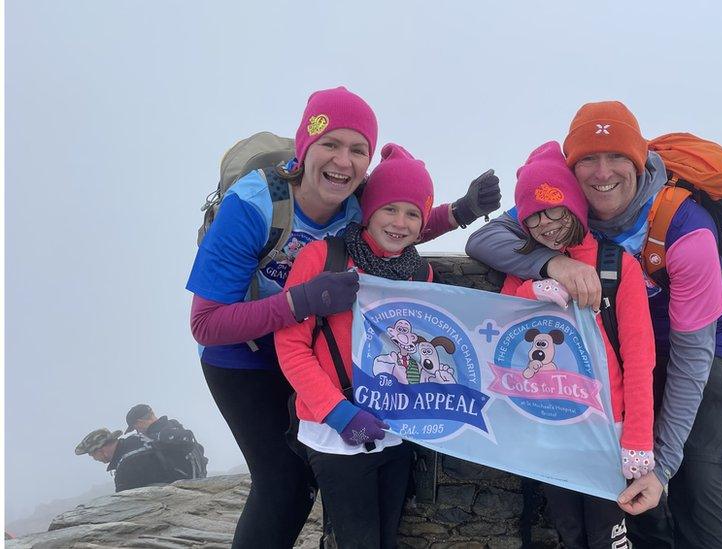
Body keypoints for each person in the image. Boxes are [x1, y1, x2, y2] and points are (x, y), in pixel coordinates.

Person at [186, 86, 501, 548]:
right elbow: (206, 325)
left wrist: (460, 212)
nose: (343, 161)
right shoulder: (252, 208)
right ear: (304, 147)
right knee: (282, 482)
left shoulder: (355, 200)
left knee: (304, 478)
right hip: (242, 358)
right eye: (330, 144)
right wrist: (300, 303)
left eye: (358, 150)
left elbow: (394, 224)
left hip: (303, 347)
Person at [466, 101, 722, 548]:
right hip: (617, 358)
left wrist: (663, 465)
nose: (601, 173)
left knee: (700, 486)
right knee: (626, 499)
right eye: (587, 160)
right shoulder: (562, 205)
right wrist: (551, 262)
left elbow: (693, 360)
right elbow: (484, 238)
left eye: (616, 157)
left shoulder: (686, 228)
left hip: (695, 355)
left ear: (638, 160)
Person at [276, 143, 440, 549]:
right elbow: (292, 347)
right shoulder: (324, 258)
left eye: (413, 213)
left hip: (394, 432)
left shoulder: (421, 272)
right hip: (334, 433)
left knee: (386, 538)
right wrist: (338, 412)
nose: (400, 223)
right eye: (390, 208)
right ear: (369, 210)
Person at [498, 141, 655, 548]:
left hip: (609, 432)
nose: (545, 224)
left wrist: (637, 440)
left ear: (575, 203)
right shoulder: (530, 263)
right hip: (555, 428)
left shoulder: (620, 266)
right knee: (570, 534)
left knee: (610, 539)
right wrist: (535, 289)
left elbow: (640, 360)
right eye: (533, 217)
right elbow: (502, 315)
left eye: (554, 208)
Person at [75, 428, 187, 492]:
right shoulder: (137, 439)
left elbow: (123, 503)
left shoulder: (126, 466)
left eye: (92, 455)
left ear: (99, 450)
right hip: (185, 482)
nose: (95, 459)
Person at [124, 403, 208, 479]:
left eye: (136, 429)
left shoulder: (161, 433)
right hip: (198, 479)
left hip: (186, 487)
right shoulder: (172, 426)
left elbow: (187, 440)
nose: (138, 433)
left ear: (139, 423)